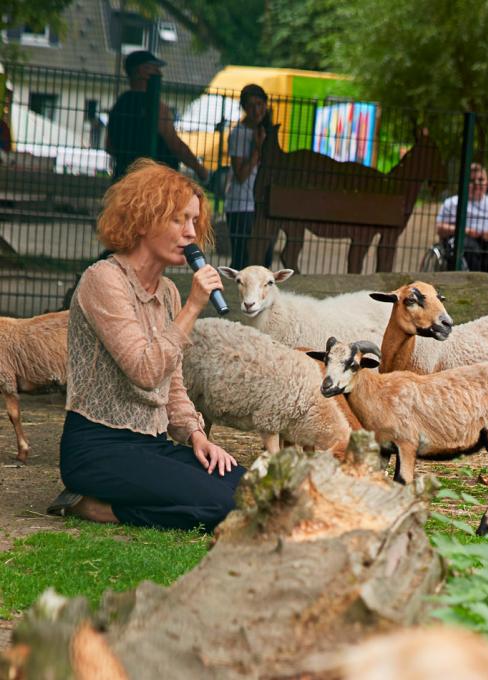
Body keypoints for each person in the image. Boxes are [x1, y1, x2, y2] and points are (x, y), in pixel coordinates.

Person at [47, 159, 246, 531]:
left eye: (194, 221)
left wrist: (197, 437)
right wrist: (193, 308)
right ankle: (97, 508)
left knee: (251, 488)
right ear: (142, 220)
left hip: (153, 444)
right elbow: (144, 370)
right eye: (178, 220)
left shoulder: (168, 292)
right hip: (98, 448)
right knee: (222, 506)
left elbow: (171, 383)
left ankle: (141, 493)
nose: (191, 234)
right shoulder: (103, 281)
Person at [106, 50, 209, 182]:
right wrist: (199, 168)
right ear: (143, 72)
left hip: (124, 177)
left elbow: (109, 146)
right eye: (155, 69)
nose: (160, 74)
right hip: (155, 181)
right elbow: (174, 144)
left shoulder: (119, 105)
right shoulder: (156, 107)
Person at [220, 83, 272, 269]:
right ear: (244, 108)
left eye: (260, 104)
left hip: (262, 204)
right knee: (243, 260)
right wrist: (257, 149)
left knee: (264, 258)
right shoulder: (238, 134)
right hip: (241, 204)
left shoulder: (267, 131)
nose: (256, 110)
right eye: (250, 106)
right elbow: (241, 175)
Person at [435, 163, 488, 275]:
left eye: (481, 179)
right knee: (469, 247)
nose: (476, 183)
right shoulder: (452, 203)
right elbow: (440, 229)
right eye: (471, 180)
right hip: (464, 240)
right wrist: (465, 231)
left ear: (487, 183)